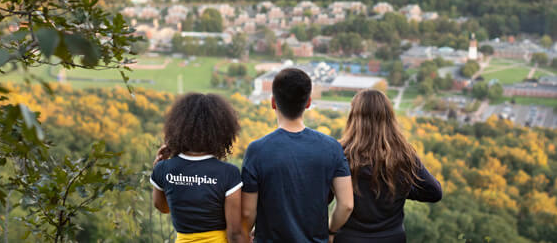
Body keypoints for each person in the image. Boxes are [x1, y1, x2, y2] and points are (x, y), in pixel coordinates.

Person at [241, 68, 354, 243]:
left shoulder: (257, 150)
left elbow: (247, 212)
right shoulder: (332, 147)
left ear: (273, 102)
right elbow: (347, 205)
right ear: (308, 102)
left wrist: (246, 233)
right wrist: (331, 231)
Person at [334, 89, 442, 243]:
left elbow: (323, 198)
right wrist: (399, 188)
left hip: (350, 238)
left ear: (353, 118)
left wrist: (330, 230)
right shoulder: (403, 154)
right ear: (389, 117)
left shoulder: (339, 152)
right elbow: (434, 192)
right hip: (392, 237)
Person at [151, 93, 244, 243]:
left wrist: (158, 167)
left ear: (178, 127)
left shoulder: (163, 169)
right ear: (222, 131)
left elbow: (162, 207)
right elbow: (234, 233)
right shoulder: (229, 173)